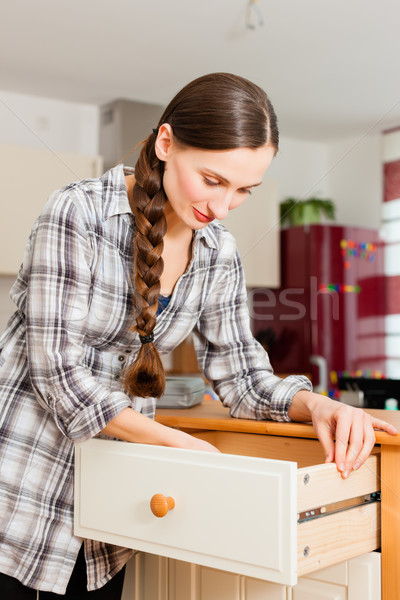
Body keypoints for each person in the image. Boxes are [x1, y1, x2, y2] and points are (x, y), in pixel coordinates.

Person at [0, 72, 396, 598]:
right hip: (23, 486)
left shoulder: (219, 252)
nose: (224, 206)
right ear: (166, 144)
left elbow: (244, 376)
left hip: (113, 506)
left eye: (243, 190)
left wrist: (318, 406)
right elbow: (57, 373)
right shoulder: (79, 212)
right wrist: (176, 445)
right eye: (212, 180)